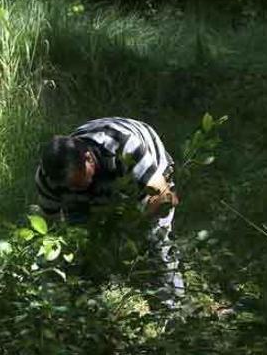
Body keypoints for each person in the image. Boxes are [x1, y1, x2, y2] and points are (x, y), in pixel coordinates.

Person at [35, 117, 185, 308]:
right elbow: (53, 234)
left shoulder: (125, 147)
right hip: (107, 177)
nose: (75, 188)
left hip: (139, 175)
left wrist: (133, 229)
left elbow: (166, 198)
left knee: (156, 240)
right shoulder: (48, 179)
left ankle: (172, 307)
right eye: (68, 186)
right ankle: (86, 308)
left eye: (79, 181)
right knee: (81, 243)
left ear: (88, 159)